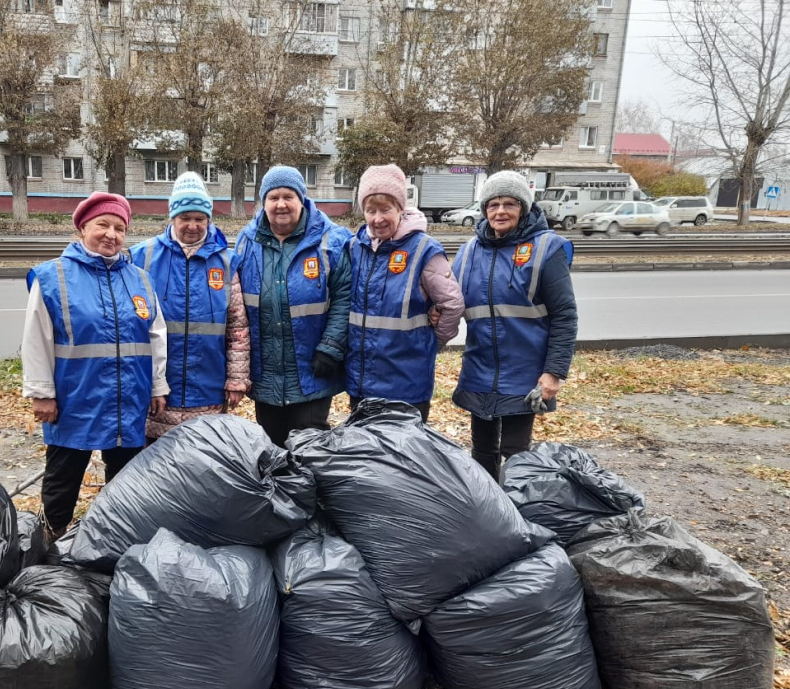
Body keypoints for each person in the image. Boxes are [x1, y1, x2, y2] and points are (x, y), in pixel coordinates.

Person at [21, 192, 169, 537]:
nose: (111, 234)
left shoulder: (140, 280)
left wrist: (158, 385)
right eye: (102, 224)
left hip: (128, 398)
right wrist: (42, 393)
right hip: (76, 399)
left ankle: (112, 540)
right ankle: (50, 541)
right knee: (63, 479)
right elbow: (35, 340)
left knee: (125, 483)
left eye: (119, 228)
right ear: (82, 227)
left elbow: (155, 337)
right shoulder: (53, 278)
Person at [451, 170, 578, 481]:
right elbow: (446, 302)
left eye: (510, 203)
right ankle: (488, 514)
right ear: (483, 210)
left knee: (516, 451)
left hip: (525, 373)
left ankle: (517, 513)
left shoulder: (547, 249)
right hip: (480, 368)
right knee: (481, 450)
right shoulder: (469, 252)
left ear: (524, 208)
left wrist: (554, 372)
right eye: (492, 204)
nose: (500, 211)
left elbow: (565, 315)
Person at [232, 165, 352, 447]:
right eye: (273, 197)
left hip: (312, 370)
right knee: (272, 448)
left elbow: (344, 296)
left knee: (311, 450)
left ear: (302, 199)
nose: (281, 204)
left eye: (288, 196)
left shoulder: (331, 241)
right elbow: (235, 305)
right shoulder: (247, 242)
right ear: (263, 203)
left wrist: (332, 347)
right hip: (265, 372)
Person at [129, 172, 250, 439]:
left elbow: (237, 327)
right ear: (172, 217)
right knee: (156, 465)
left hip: (208, 387)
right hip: (158, 388)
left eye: (200, 218)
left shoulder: (227, 262)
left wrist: (237, 379)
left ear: (209, 219)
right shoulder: (142, 256)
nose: (193, 225)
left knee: (203, 464)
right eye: (185, 217)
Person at [345, 163, 464, 421]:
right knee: (362, 458)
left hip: (406, 387)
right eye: (370, 210)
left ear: (401, 208)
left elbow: (452, 304)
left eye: (385, 209)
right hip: (361, 383)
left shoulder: (424, 250)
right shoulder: (355, 247)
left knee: (405, 458)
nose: (378, 219)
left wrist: (432, 344)